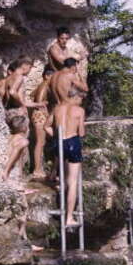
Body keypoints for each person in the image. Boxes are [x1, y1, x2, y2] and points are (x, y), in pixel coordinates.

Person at [0, 57, 47, 183]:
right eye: (30, 68)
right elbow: (13, 92)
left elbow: (6, 96)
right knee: (21, 143)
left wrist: (36, 104)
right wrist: (22, 104)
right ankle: (13, 175)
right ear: (25, 65)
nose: (29, 71)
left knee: (13, 142)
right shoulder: (19, 77)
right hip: (18, 114)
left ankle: (9, 173)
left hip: (9, 113)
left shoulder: (7, 79)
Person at [45, 94, 86, 227]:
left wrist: (57, 136)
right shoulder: (79, 110)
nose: (81, 102)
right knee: (73, 182)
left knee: (64, 178)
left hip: (60, 143)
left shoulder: (57, 108)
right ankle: (69, 217)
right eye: (81, 99)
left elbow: (46, 126)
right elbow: (81, 133)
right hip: (72, 142)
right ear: (76, 97)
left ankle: (63, 206)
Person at [30, 65, 54, 179]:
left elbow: (32, 94)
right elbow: (39, 102)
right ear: (47, 76)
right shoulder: (44, 85)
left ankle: (39, 168)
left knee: (41, 142)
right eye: (53, 76)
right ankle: (37, 169)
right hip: (40, 115)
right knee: (40, 142)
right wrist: (47, 115)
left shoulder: (43, 85)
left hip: (38, 115)